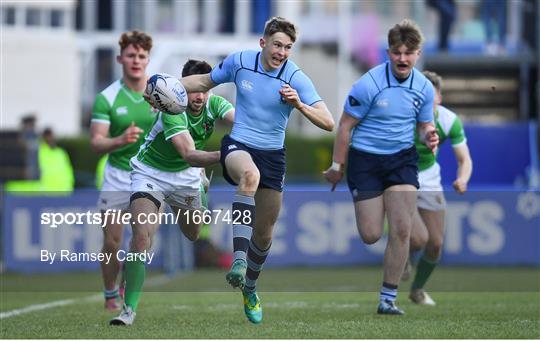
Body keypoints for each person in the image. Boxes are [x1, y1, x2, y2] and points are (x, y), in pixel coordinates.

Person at [171, 17, 334, 324]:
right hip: (239, 145)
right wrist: (167, 86)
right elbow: (204, 82)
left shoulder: (296, 77)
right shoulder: (241, 62)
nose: (282, 52)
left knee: (265, 234)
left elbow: (328, 122)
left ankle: (250, 287)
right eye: (277, 45)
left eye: (288, 47)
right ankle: (239, 261)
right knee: (249, 177)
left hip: (274, 156)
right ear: (263, 43)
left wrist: (299, 104)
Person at [323, 19, 439, 315]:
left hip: (402, 159)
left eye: (408, 53)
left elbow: (425, 124)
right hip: (366, 161)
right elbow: (345, 126)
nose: (403, 59)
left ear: (418, 53)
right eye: (397, 52)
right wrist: (337, 165)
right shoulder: (368, 84)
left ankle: (388, 299)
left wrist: (429, 135)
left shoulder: (423, 88)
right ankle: (390, 220)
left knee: (401, 230)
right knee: (372, 234)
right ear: (388, 52)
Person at [110, 59, 235, 326]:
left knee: (192, 234)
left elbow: (237, 120)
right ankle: (128, 311)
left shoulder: (215, 104)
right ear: (182, 88)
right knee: (142, 238)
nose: (199, 96)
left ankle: (201, 189)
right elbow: (189, 153)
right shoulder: (171, 108)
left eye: (205, 89)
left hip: (187, 179)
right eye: (194, 89)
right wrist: (229, 153)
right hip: (150, 173)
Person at [90, 30, 156, 312]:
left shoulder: (160, 94)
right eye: (131, 55)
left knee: (142, 239)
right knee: (112, 242)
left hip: (151, 176)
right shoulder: (107, 97)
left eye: (141, 56)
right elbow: (96, 142)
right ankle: (109, 294)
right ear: (120, 58)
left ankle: (127, 287)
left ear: (148, 60)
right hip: (117, 175)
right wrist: (120, 139)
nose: (136, 60)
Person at [406, 71, 472, 305]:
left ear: (439, 99)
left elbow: (465, 159)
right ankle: (401, 255)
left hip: (430, 179)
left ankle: (417, 289)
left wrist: (462, 179)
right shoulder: (402, 116)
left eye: (430, 97)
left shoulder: (448, 120)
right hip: (401, 177)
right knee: (416, 239)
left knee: (435, 243)